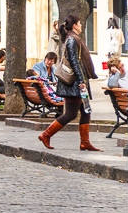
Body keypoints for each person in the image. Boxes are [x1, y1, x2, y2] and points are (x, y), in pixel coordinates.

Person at [38, 15, 101, 151]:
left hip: (79, 81)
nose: (81, 26)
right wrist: (81, 81)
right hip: (74, 83)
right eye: (79, 23)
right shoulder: (72, 39)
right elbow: (74, 61)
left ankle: (85, 142)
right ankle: (46, 134)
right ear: (74, 26)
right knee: (71, 114)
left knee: (85, 110)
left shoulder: (73, 38)